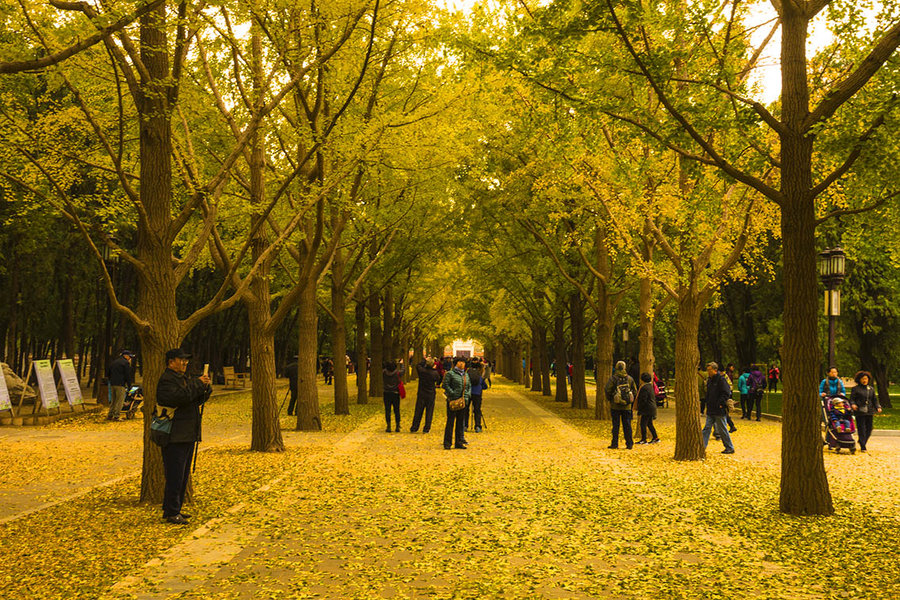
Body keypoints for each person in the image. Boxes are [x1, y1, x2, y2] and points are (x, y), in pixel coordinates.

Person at [157, 348, 212, 525]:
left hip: (187, 433)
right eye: (181, 360)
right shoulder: (166, 380)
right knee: (175, 475)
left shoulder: (183, 379)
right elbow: (178, 398)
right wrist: (197, 384)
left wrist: (205, 388)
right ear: (171, 362)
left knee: (182, 474)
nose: (185, 363)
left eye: (186, 360)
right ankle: (172, 512)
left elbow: (193, 399)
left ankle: (174, 508)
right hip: (174, 435)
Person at [701, 362, 735, 454]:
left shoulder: (721, 380)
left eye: (709, 370)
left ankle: (729, 447)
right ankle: (702, 447)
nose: (708, 372)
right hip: (711, 409)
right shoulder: (710, 380)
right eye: (707, 370)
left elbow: (726, 392)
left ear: (715, 370)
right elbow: (708, 393)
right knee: (706, 428)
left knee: (722, 429)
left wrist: (721, 403)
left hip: (719, 409)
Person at [604, 361, 637, 449]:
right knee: (627, 425)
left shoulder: (613, 379)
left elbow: (607, 390)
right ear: (625, 368)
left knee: (616, 425)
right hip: (627, 407)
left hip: (615, 406)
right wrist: (629, 401)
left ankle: (615, 443)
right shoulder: (630, 379)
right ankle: (629, 444)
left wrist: (611, 399)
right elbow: (635, 391)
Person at [441, 358, 470, 449]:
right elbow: (445, 385)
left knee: (460, 423)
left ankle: (459, 442)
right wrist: (452, 393)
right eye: (460, 362)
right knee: (450, 422)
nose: (462, 364)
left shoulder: (466, 375)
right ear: (456, 363)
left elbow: (469, 387)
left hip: (462, 402)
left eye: (463, 362)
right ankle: (447, 443)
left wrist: (466, 397)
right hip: (453, 401)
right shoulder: (450, 374)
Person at [850, 371, 882, 453]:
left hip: (869, 410)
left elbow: (874, 399)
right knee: (862, 428)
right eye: (863, 379)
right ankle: (863, 446)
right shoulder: (855, 389)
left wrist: (878, 406)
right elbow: (852, 399)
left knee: (869, 428)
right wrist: (853, 404)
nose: (865, 380)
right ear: (859, 379)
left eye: (866, 379)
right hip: (860, 411)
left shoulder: (871, 389)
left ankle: (862, 441)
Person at [410, 357, 441, 433]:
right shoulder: (435, 373)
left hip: (421, 393)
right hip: (431, 394)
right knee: (429, 411)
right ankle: (427, 428)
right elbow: (438, 379)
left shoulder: (422, 371)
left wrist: (424, 360)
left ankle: (414, 427)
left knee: (418, 411)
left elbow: (418, 365)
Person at [107, 350, 135, 421]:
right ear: (125, 355)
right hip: (120, 384)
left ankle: (110, 415)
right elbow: (127, 375)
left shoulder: (114, 362)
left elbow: (109, 373)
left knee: (113, 400)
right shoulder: (125, 363)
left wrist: (111, 381)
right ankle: (117, 416)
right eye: (129, 357)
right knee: (120, 400)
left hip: (112, 384)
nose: (130, 359)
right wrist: (129, 386)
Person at [636, 372, 659, 444]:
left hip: (647, 408)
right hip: (651, 407)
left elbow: (643, 399)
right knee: (649, 423)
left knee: (643, 424)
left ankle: (643, 439)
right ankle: (655, 437)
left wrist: (640, 408)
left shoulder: (644, 387)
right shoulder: (650, 386)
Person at [382, 361, 403, 432]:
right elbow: (404, 370)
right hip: (395, 393)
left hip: (386, 392)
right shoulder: (397, 373)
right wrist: (402, 364)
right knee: (396, 409)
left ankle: (388, 426)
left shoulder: (384, 372)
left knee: (387, 410)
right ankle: (397, 425)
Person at [466, 359, 485, 432]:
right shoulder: (479, 376)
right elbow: (484, 386)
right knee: (477, 410)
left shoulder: (468, 373)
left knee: (466, 410)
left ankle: (465, 425)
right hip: (477, 394)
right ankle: (477, 426)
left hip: (468, 393)